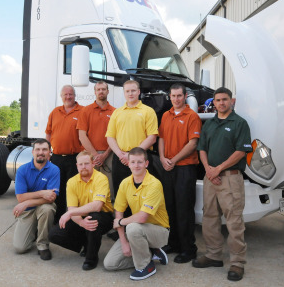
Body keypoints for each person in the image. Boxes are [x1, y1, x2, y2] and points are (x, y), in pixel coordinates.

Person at [192, 87, 253, 282]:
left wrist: (217, 169)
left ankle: (237, 263)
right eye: (218, 100)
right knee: (210, 216)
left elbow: (241, 152)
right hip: (211, 177)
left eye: (225, 100)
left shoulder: (239, 123)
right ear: (214, 102)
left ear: (231, 101)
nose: (221, 103)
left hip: (230, 178)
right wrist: (209, 170)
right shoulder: (209, 124)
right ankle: (213, 255)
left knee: (234, 220)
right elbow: (202, 148)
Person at [103, 147, 170, 281]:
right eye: (133, 162)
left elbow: (142, 217)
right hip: (137, 230)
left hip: (159, 231)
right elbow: (119, 213)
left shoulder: (154, 184)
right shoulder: (125, 183)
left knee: (132, 227)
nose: (136, 165)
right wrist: (123, 242)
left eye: (140, 162)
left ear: (146, 163)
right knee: (110, 264)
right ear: (128, 163)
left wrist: (121, 223)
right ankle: (150, 252)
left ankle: (146, 266)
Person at [48, 151, 114, 270]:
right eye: (81, 164)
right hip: (81, 216)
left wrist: (70, 213)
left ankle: (91, 258)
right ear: (77, 166)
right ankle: (86, 243)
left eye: (86, 163)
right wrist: (80, 223)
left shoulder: (101, 178)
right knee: (54, 234)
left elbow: (97, 206)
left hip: (104, 216)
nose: (83, 167)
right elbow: (72, 208)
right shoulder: (72, 182)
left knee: (94, 218)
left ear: (93, 164)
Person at [158, 83, 201, 263]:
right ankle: (173, 243)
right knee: (170, 207)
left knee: (184, 209)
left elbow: (193, 144)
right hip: (167, 166)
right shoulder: (166, 115)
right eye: (173, 96)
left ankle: (188, 248)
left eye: (179, 96)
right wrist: (162, 158)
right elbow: (161, 138)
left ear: (185, 96)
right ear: (169, 96)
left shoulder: (192, 116)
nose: (176, 99)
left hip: (184, 168)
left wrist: (173, 160)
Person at [106, 80, 158, 198]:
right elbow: (110, 137)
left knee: (142, 195)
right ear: (124, 93)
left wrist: (131, 155)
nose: (130, 94)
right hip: (120, 159)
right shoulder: (117, 113)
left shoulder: (148, 111)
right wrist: (121, 154)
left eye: (133, 90)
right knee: (121, 195)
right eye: (127, 91)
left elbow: (152, 137)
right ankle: (122, 217)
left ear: (139, 92)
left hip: (141, 158)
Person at [12, 139, 60, 261]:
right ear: (33, 152)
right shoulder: (23, 170)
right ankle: (33, 232)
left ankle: (43, 245)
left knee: (48, 209)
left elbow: (51, 198)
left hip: (42, 207)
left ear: (49, 152)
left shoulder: (54, 170)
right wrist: (42, 193)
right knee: (20, 248)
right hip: (27, 211)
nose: (41, 152)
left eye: (44, 149)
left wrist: (28, 201)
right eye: (38, 149)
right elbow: (20, 197)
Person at [45, 84, 84, 220]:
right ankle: (57, 218)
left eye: (70, 94)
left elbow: (87, 135)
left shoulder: (83, 111)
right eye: (65, 94)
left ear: (74, 96)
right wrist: (47, 152)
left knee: (73, 190)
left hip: (74, 159)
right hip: (56, 158)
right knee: (57, 189)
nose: (68, 97)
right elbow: (48, 133)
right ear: (61, 96)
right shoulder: (55, 112)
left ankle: (72, 219)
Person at [77, 80, 116, 198]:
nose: (101, 92)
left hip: (108, 155)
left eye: (103, 89)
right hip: (89, 155)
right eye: (98, 89)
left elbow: (116, 137)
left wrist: (104, 155)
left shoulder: (115, 112)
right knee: (89, 187)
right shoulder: (86, 111)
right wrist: (95, 155)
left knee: (108, 188)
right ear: (94, 92)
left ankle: (108, 214)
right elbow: (82, 135)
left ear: (108, 91)